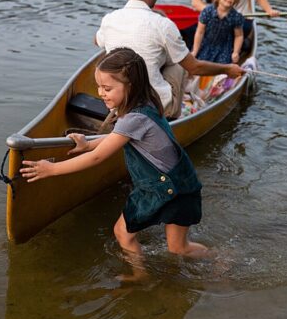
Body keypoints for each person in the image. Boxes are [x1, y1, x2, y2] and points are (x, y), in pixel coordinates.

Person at [20, 48, 208, 278]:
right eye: (98, 86)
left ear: (130, 86)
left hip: (164, 188)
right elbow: (116, 137)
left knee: (123, 233)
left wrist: (52, 169)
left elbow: (99, 157)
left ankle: (140, 275)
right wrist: (88, 144)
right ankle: (218, 259)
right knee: (179, 248)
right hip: (183, 185)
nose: (100, 93)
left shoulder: (132, 119)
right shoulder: (147, 102)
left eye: (107, 88)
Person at [95, 0, 243, 119]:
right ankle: (175, 112)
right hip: (157, 106)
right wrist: (227, 69)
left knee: (109, 55)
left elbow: (97, 40)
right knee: (178, 62)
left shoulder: (109, 19)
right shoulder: (163, 24)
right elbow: (194, 67)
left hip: (118, 100)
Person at [192, 0, 245, 64]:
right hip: (206, 45)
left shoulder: (236, 17)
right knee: (200, 64)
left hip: (223, 49)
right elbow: (200, 32)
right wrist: (195, 50)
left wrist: (235, 52)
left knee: (221, 68)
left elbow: (238, 36)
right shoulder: (207, 11)